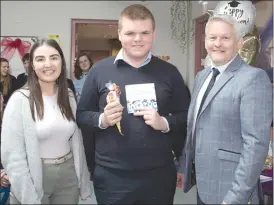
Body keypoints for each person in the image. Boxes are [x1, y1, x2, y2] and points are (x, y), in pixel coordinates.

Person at [76, 4, 190, 204]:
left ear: (153, 34)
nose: (138, 39)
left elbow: (186, 116)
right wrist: (102, 119)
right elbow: (82, 115)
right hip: (112, 177)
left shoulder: (170, 72)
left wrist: (165, 123)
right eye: (130, 33)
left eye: (144, 32)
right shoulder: (99, 72)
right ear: (119, 34)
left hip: (159, 176)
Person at [176, 14, 273, 205]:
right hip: (205, 186)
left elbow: (255, 145)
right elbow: (194, 127)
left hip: (231, 191)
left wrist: (236, 197)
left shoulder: (253, 79)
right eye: (212, 37)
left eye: (225, 38)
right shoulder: (202, 77)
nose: (217, 43)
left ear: (239, 42)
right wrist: (183, 165)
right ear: (205, 41)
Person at [1, 38, 92, 204]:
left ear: (61, 63)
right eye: (40, 59)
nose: (48, 64)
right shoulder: (19, 100)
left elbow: (77, 141)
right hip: (35, 175)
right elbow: (13, 156)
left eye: (54, 57)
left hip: (68, 174)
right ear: (32, 65)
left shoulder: (69, 96)